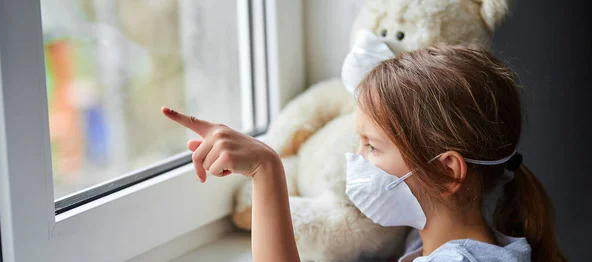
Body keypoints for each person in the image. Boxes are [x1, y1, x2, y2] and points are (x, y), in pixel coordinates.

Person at [161, 43, 565, 262]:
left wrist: (268, 169)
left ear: (447, 171)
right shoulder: (438, 237)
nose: (354, 159)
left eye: (371, 146)